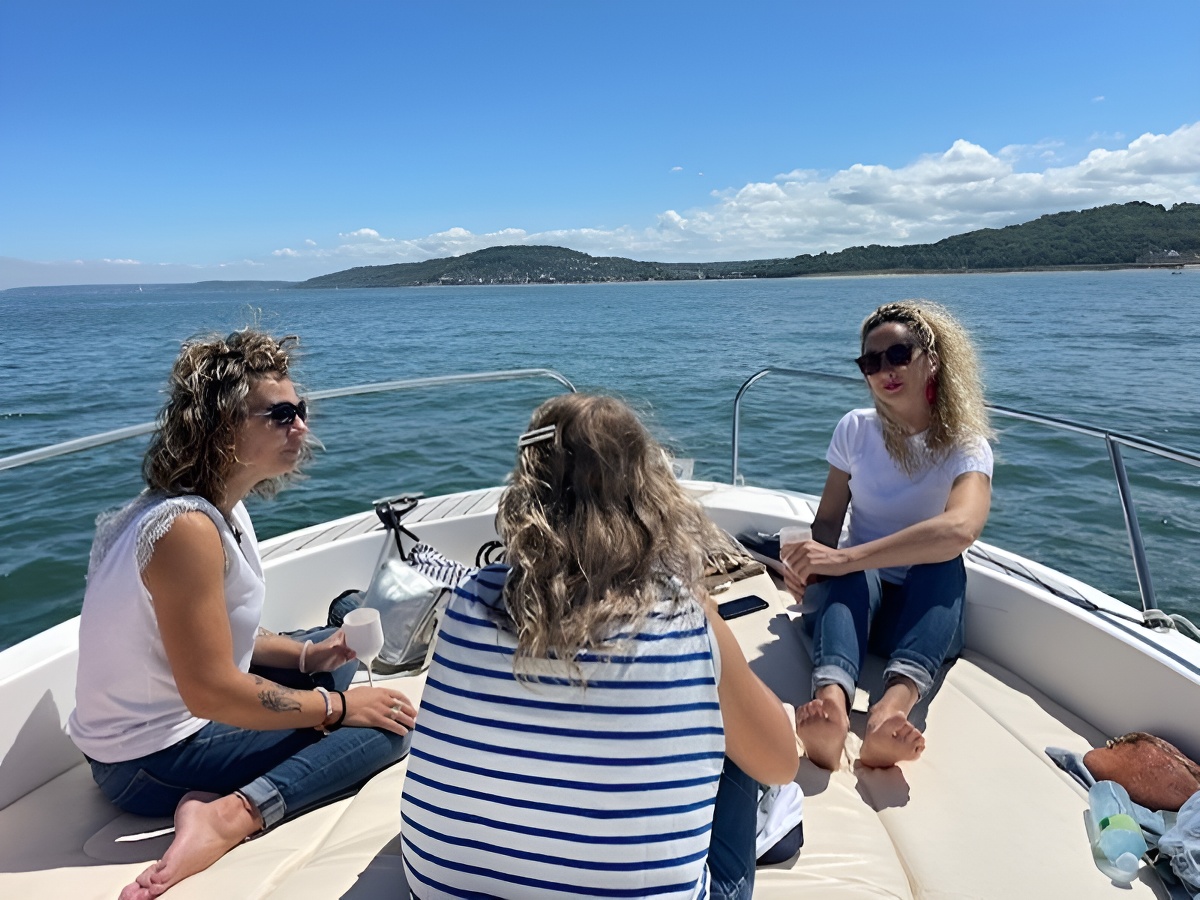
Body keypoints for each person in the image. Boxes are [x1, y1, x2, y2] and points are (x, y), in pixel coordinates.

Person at [400, 394, 799, 900]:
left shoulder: (465, 600)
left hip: (439, 893)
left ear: (527, 492)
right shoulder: (684, 617)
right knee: (735, 740)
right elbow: (782, 764)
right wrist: (701, 609)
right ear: (651, 492)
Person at [67, 328, 416, 900]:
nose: (301, 425)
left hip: (174, 722)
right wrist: (339, 708)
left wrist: (311, 654)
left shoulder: (214, 509)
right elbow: (210, 691)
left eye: (301, 410)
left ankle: (320, 680)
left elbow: (227, 634)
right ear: (220, 427)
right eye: (279, 414)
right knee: (386, 729)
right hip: (148, 761)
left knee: (336, 653)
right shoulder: (185, 530)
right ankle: (233, 815)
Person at [785, 301, 993, 771]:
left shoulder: (966, 445)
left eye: (898, 354)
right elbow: (827, 523)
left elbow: (963, 526)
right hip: (854, 610)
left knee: (944, 563)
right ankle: (833, 707)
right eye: (871, 362)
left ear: (932, 359)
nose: (885, 371)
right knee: (854, 572)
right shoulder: (854, 430)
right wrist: (808, 567)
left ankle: (888, 711)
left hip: (921, 620)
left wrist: (846, 557)